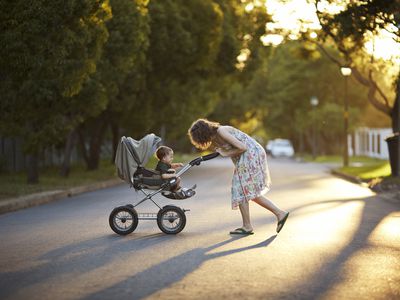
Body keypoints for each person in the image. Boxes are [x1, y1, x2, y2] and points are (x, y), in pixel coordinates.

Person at [187, 118, 289, 234]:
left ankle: (253, 223)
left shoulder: (222, 131)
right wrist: (223, 151)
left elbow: (242, 148)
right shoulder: (216, 137)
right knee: (245, 191)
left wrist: (225, 153)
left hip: (252, 153)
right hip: (248, 156)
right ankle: (270, 217)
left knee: (240, 189)